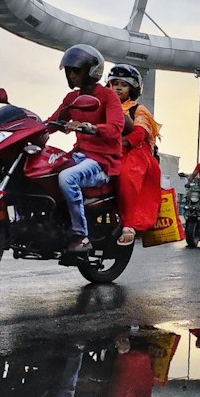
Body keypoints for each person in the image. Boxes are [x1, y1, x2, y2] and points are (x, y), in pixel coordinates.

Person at [47, 44, 124, 256]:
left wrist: (89, 127)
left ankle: (81, 237)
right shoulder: (72, 99)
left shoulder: (108, 96)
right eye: (69, 70)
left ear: (91, 71)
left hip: (102, 162)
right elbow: (53, 122)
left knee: (67, 178)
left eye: (76, 70)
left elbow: (116, 128)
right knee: (47, 171)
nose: (71, 75)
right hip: (79, 156)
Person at [106, 63, 162, 247]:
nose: (119, 87)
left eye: (124, 84)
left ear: (133, 88)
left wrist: (122, 142)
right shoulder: (102, 106)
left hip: (135, 153)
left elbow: (139, 133)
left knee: (126, 175)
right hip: (106, 149)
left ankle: (129, 224)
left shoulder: (138, 109)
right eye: (115, 83)